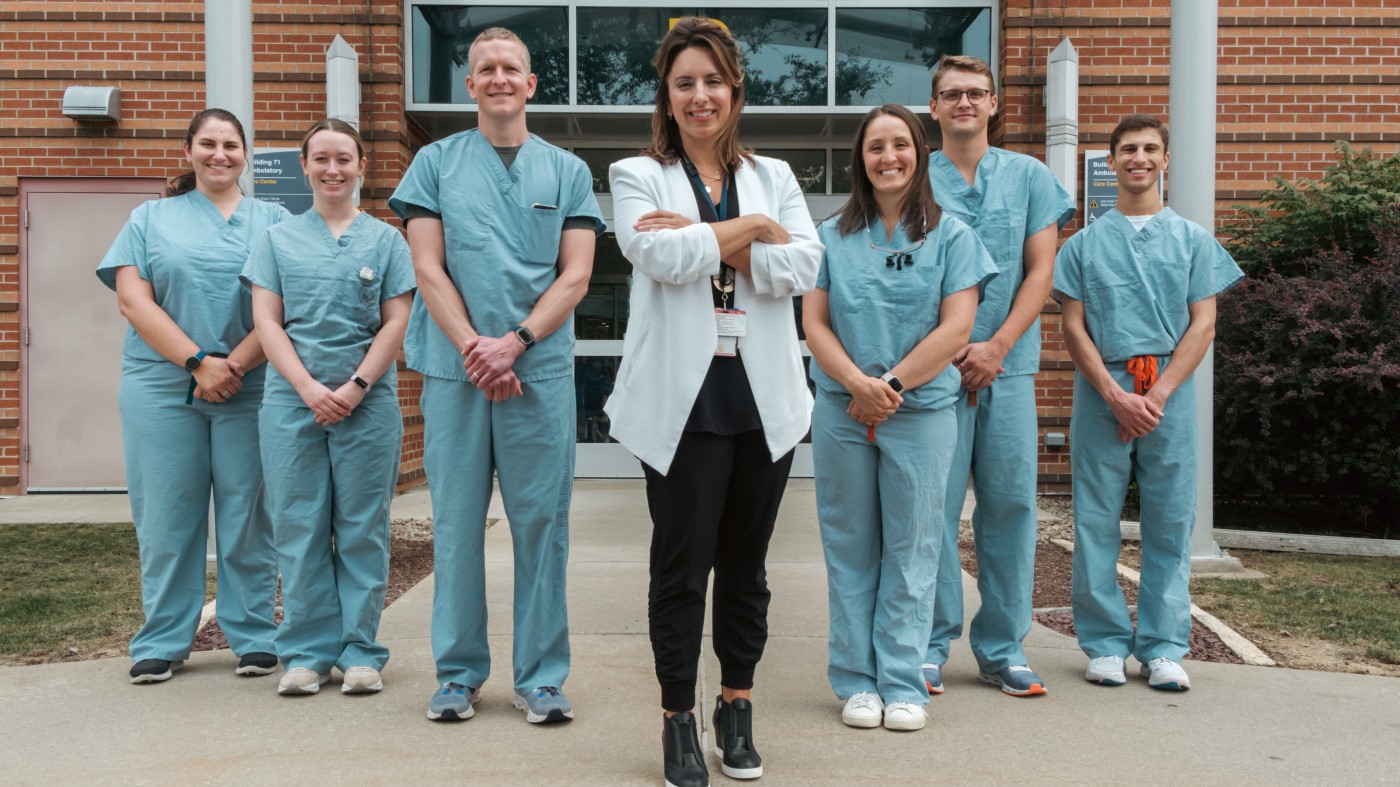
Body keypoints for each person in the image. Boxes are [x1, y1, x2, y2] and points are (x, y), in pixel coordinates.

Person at [607, 17, 823, 787]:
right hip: (682, 403)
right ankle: (677, 717)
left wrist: (730, 230)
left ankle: (737, 705)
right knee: (681, 566)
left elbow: (803, 265)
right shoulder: (636, 173)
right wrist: (752, 233)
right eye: (684, 83)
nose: (700, 95)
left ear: (735, 89)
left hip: (762, 401)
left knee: (746, 568)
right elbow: (659, 256)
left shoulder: (777, 178)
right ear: (667, 97)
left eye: (712, 81)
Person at [388, 28, 604, 723]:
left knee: (542, 524)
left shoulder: (567, 171)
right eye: (487, 69)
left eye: (512, 67)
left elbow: (576, 275)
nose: (500, 77)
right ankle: (457, 673)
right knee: (454, 524)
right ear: (472, 84)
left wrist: (513, 343)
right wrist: (475, 349)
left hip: (534, 369)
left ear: (531, 83)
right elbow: (428, 267)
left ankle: (541, 677)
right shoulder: (433, 163)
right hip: (457, 374)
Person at [805, 105, 995, 732]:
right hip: (841, 410)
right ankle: (857, 681)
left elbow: (957, 327)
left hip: (920, 413)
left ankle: (903, 680)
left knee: (915, 550)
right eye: (875, 147)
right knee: (851, 548)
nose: (888, 157)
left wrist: (885, 386)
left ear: (919, 152)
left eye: (900, 145)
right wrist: (856, 384)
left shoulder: (955, 236)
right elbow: (815, 324)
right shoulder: (830, 234)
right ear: (860, 159)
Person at [97, 108, 287, 684]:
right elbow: (134, 302)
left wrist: (232, 366)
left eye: (231, 144)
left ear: (245, 155)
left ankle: (254, 634)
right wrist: (198, 363)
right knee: (166, 515)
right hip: (161, 388)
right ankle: (162, 639)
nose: (219, 154)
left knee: (249, 515)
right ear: (189, 151)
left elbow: (283, 305)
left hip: (248, 385)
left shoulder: (274, 220)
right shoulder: (149, 218)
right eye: (208, 143)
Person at [1053, 115, 1243, 691]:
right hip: (1101, 389)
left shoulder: (1192, 240)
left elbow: (1203, 325)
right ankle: (1105, 644)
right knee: (1094, 519)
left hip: (1169, 391)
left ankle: (1164, 647)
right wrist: (1115, 394)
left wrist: (1156, 394)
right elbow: (1072, 327)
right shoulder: (1082, 246)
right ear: (1110, 162)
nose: (1139, 157)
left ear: (1165, 160)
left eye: (1150, 149)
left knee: (1168, 521)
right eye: (1128, 149)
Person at [242, 119, 415, 696]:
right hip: (292, 403)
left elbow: (397, 321)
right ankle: (306, 654)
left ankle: (360, 650)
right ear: (305, 166)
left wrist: (356, 386)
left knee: (362, 526)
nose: (333, 169)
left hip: (368, 402)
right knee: (298, 525)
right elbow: (266, 320)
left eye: (344, 158)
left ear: (361, 166)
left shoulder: (387, 240)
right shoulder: (277, 240)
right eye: (321, 158)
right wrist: (309, 388)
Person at [922, 55, 1076, 697]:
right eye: (951, 94)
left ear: (993, 105)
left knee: (1010, 509)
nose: (963, 103)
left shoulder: (1030, 176)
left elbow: (1040, 271)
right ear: (933, 107)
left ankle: (1003, 648)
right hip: (934, 373)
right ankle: (926, 644)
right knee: (929, 510)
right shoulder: (913, 174)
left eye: (975, 94)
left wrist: (997, 345)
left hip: (1007, 370)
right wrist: (946, 353)